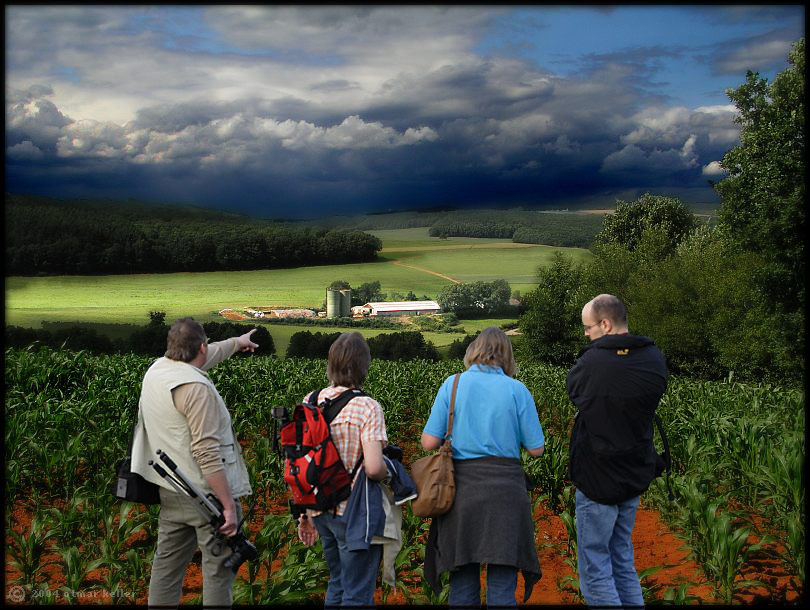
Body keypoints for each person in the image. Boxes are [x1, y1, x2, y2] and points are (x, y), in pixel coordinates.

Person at [130, 317, 259, 607]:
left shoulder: (157, 370)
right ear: (200, 346)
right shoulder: (196, 390)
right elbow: (207, 453)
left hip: (171, 491)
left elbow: (206, 356)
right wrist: (228, 507)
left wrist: (237, 343)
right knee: (218, 571)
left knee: (166, 569)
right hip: (207, 497)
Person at [421, 326, 545, 606]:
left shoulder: (452, 385)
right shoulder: (517, 390)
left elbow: (428, 443)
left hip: (461, 497)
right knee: (502, 589)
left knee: (462, 588)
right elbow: (536, 449)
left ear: (474, 351)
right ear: (507, 356)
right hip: (506, 496)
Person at [567, 294, 668, 607]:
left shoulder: (592, 363)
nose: (586, 333)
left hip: (598, 479)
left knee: (596, 570)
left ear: (605, 323)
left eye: (588, 327)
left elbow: (575, 391)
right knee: (622, 561)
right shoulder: (653, 357)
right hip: (634, 473)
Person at [296, 331, 389, 606]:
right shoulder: (367, 407)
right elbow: (373, 468)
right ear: (364, 367)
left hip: (320, 509)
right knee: (357, 594)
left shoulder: (309, 401)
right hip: (354, 513)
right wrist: (391, 473)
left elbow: (301, 462)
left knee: (337, 582)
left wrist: (305, 513)